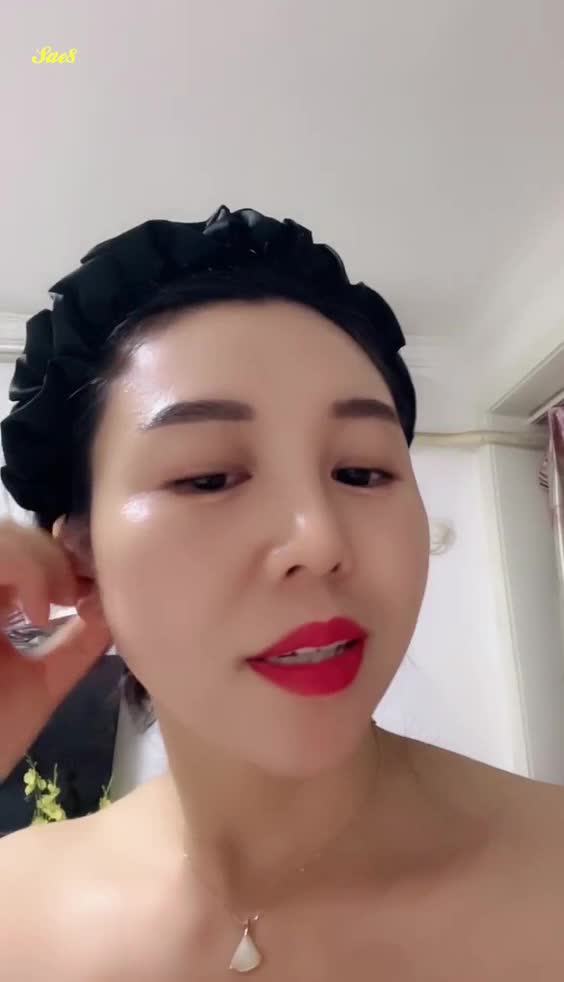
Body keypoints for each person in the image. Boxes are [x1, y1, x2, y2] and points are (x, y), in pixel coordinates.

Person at [0, 205, 563, 981]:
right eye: (207, 478)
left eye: (361, 472)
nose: (320, 540)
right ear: (86, 561)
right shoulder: (16, 911)